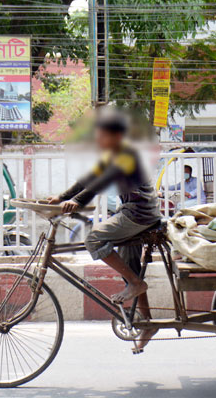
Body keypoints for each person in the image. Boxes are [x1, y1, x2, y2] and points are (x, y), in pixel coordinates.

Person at [48, 111, 161, 349]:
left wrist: (76, 202)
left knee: (94, 239)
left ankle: (134, 284)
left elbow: (98, 184)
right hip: (132, 211)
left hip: (138, 213)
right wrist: (61, 197)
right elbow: (88, 179)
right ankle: (148, 323)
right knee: (132, 268)